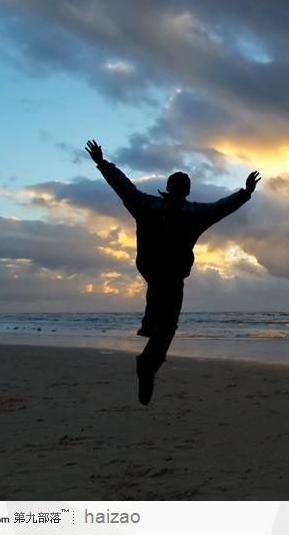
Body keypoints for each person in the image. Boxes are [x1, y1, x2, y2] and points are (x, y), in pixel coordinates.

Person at [85, 139, 259, 405]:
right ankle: (148, 363)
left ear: (169, 188)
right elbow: (220, 207)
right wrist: (244, 193)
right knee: (166, 326)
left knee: (160, 319)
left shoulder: (149, 205)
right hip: (168, 273)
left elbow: (124, 188)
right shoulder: (190, 212)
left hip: (154, 271)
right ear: (186, 191)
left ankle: (149, 356)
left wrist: (102, 163)